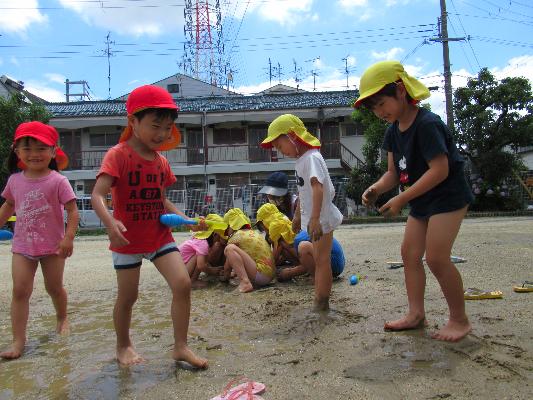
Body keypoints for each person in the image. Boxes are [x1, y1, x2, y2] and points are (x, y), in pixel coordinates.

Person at [355, 60, 474, 342]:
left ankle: (459, 319)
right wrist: (376, 189)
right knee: (409, 255)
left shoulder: (427, 124)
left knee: (435, 258)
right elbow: (393, 174)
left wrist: (401, 200)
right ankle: (416, 314)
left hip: (448, 196)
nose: (379, 112)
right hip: (421, 200)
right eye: (373, 108)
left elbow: (440, 170)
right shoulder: (393, 131)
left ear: (399, 91)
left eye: (381, 103)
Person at [91, 85, 208, 367]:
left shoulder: (161, 163)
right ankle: (123, 346)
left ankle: (180, 346)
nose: (162, 134)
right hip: (126, 240)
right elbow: (97, 194)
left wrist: (187, 219)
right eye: (155, 126)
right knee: (128, 296)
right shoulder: (118, 155)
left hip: (158, 236)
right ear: (133, 122)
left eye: (168, 128)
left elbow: (161, 200)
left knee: (182, 284)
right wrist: (110, 221)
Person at [0, 121, 79, 359]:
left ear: (54, 151)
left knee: (54, 288)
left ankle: (62, 317)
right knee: (20, 291)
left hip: (53, 246)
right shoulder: (15, 180)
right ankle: (18, 342)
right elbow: (8, 206)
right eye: (27, 148)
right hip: (22, 246)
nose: (34, 154)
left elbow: (72, 211)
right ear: (17, 152)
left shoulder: (58, 181)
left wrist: (68, 238)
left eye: (41, 148)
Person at [261, 114, 343, 311]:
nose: (281, 152)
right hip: (316, 216)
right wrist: (298, 216)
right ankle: (320, 299)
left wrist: (314, 219)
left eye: (280, 146)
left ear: (292, 136)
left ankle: (321, 303)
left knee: (322, 261)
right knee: (320, 259)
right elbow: (302, 191)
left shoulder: (312, 157)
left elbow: (317, 188)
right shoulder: (302, 160)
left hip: (322, 217)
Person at [222, 208, 275, 293]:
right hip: (270, 274)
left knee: (229, 248)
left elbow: (228, 267)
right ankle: (246, 280)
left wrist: (225, 277)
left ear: (231, 226)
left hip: (261, 275)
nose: (227, 232)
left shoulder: (236, 236)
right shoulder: (253, 233)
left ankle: (245, 283)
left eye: (227, 228)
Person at [178, 213, 228, 288]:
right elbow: (201, 266)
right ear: (214, 235)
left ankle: (192, 279)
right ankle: (193, 281)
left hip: (178, 271)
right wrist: (211, 271)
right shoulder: (203, 243)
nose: (219, 241)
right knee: (199, 258)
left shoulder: (198, 239)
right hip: (181, 274)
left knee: (200, 256)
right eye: (220, 238)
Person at [277, 230, 345, 282]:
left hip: (334, 264)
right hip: (337, 262)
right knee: (303, 250)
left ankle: (317, 279)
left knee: (303, 247)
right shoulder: (303, 233)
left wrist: (289, 273)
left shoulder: (298, 240)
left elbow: (305, 265)